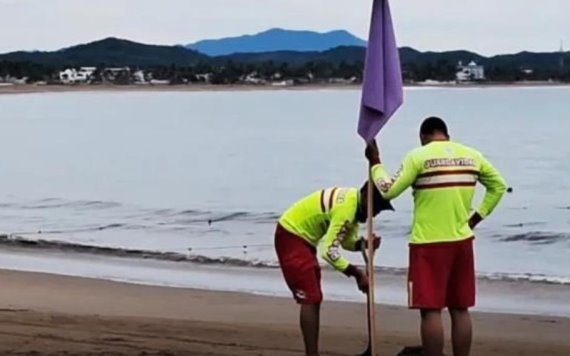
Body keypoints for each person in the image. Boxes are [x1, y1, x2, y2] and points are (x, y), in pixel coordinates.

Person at [365, 117, 507, 356]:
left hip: (428, 245)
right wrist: (475, 218)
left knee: (430, 310)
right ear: (447, 135)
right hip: (462, 241)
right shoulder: (472, 155)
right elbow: (499, 186)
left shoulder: (418, 156)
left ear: (423, 137)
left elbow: (388, 189)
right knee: (460, 308)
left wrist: (375, 162)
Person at [275, 182, 392, 356]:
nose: (374, 215)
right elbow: (328, 252)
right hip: (292, 236)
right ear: (367, 198)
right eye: (376, 209)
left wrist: (363, 244)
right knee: (311, 297)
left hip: (303, 241)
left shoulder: (353, 204)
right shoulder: (347, 210)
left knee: (315, 296)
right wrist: (356, 273)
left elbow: (344, 241)